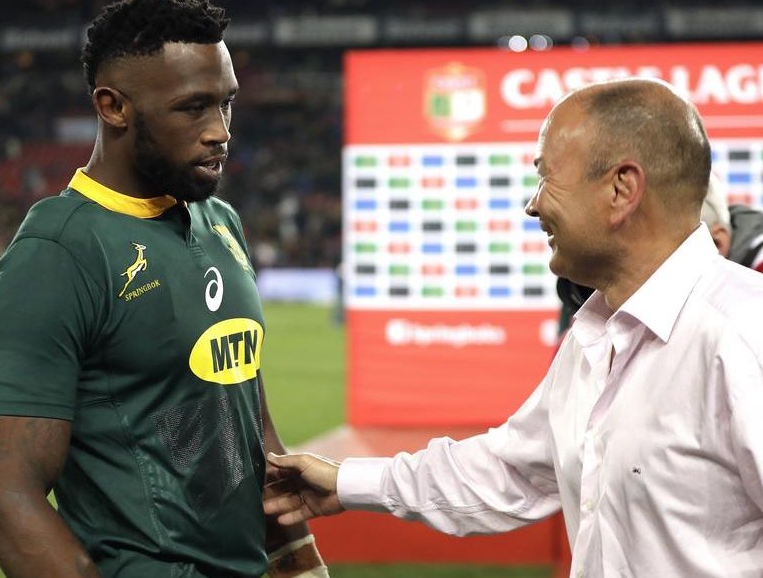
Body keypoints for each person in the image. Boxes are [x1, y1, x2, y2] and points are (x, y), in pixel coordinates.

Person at [263, 78, 763, 577]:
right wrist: (345, 483)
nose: (533, 204)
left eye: (547, 177)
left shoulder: (744, 333)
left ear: (621, 189)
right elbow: (506, 472)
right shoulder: (593, 335)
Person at [0, 0, 328, 577]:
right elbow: (4, 493)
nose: (221, 131)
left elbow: (249, 425)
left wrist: (300, 563)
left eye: (226, 102)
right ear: (113, 107)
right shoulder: (57, 254)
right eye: (192, 107)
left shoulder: (220, 222)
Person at [557, 173, 763, 334]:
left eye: (652, 261)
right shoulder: (589, 292)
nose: (632, 284)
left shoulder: (748, 317)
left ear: (716, 243)